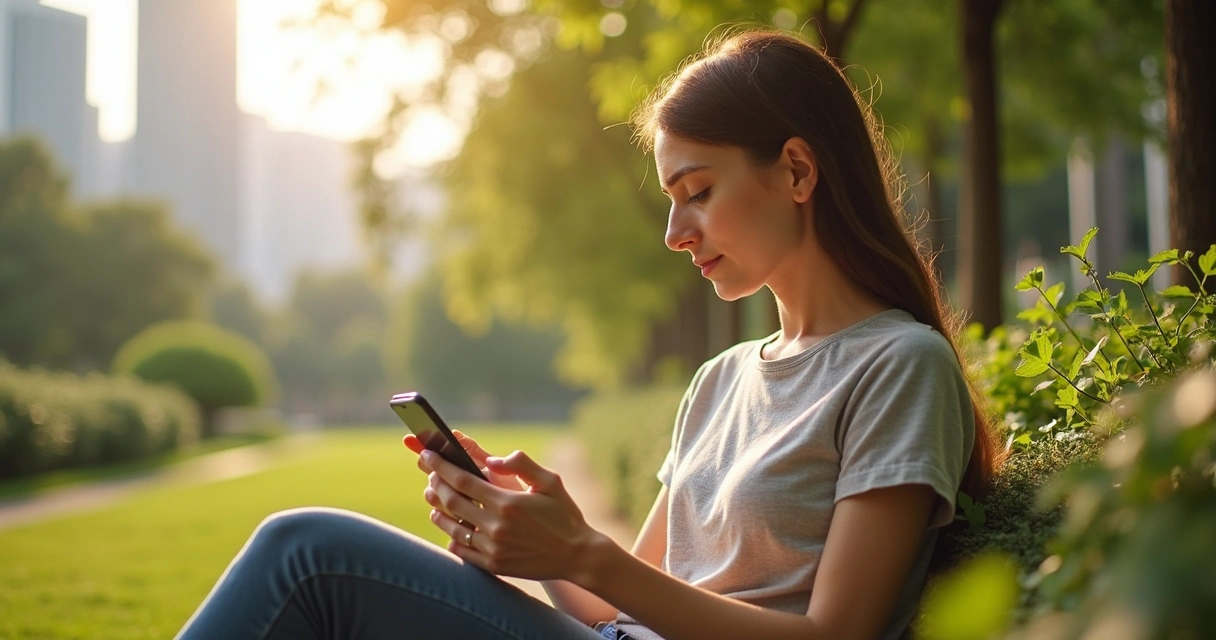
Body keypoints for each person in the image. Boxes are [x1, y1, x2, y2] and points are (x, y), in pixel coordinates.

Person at [176, 28, 998, 640]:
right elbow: (613, 601)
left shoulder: (900, 365)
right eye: (672, 199)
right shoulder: (723, 377)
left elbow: (838, 638)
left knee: (308, 553)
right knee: (309, 558)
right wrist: (529, 534)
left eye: (698, 191)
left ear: (795, 170)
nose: (675, 231)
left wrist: (584, 556)